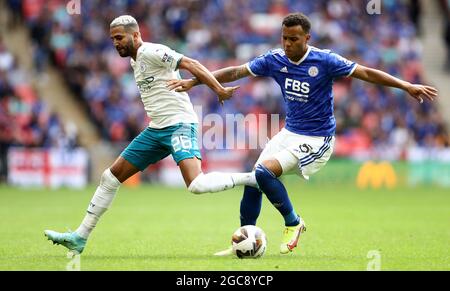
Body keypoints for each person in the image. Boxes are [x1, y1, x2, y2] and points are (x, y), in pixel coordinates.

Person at [167, 13, 438, 255]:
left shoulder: (325, 60)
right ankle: (244, 239)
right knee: (254, 179)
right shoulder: (275, 59)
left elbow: (365, 72)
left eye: (294, 39)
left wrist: (406, 85)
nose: (287, 44)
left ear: (307, 38)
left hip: (317, 139)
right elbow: (237, 71)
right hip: (289, 133)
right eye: (284, 38)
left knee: (263, 173)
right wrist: (195, 80)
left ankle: (294, 222)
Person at [44, 15, 258, 255]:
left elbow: (192, 63)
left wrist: (217, 89)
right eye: (113, 38)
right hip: (157, 129)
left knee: (196, 185)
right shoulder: (136, 61)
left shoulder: (152, 51)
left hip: (179, 124)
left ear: (135, 35)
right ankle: (79, 237)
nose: (116, 43)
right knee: (110, 178)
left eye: (120, 37)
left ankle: (252, 178)